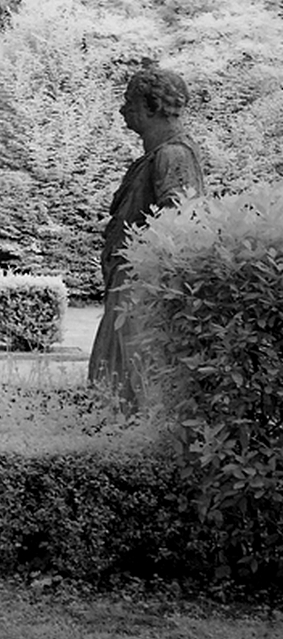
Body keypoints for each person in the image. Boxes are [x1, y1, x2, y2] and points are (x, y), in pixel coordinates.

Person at [88, 64, 206, 408]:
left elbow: (180, 220)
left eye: (130, 101)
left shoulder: (173, 155)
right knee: (115, 380)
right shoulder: (156, 156)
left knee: (132, 381)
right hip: (128, 284)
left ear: (153, 106)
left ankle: (132, 446)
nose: (123, 109)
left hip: (141, 287)